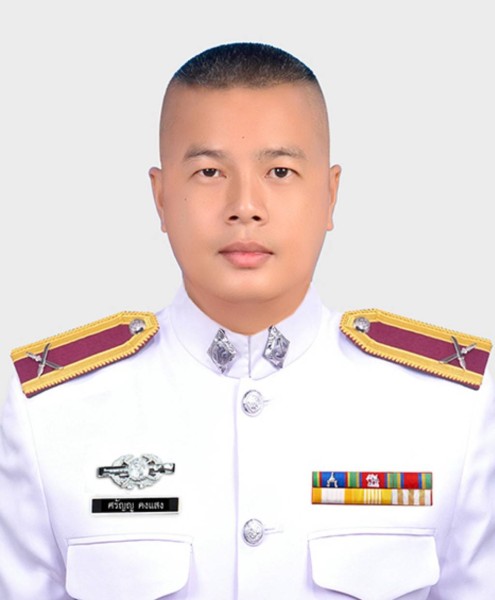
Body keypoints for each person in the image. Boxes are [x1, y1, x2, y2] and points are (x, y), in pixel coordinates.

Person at [0, 42, 494, 600]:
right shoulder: (51, 414)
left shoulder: (451, 409)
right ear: (160, 198)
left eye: (280, 170)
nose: (245, 206)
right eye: (209, 171)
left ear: (330, 195)